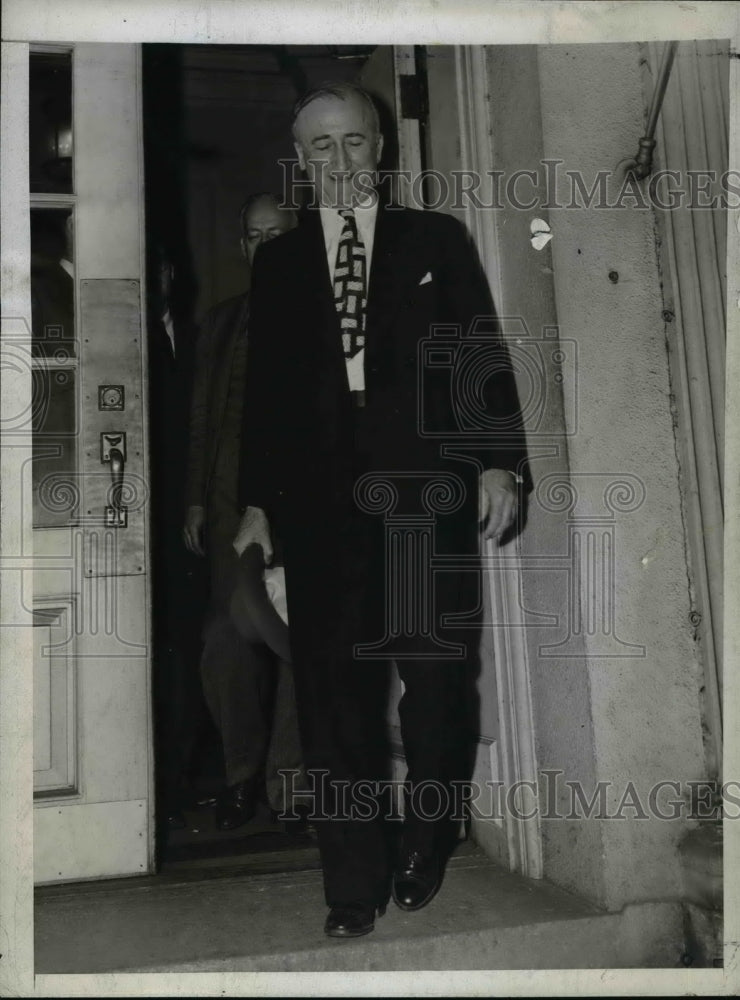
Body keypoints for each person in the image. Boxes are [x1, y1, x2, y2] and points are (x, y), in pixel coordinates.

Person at [236, 82, 531, 938]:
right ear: (301, 164)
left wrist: (498, 463)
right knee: (333, 698)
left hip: (423, 489)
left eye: (353, 143)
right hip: (319, 502)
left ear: (381, 149)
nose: (339, 162)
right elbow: (266, 400)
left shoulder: (433, 239)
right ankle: (351, 881)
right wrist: (256, 505)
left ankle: (426, 837)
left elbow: (479, 353)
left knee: (435, 681)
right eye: (319, 148)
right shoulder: (280, 263)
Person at [183, 193, 307, 831]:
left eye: (276, 235)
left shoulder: (324, 319)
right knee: (223, 640)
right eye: (254, 237)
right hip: (232, 511)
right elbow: (203, 416)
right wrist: (198, 499)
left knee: (296, 645)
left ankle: (290, 786)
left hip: (301, 511)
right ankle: (239, 777)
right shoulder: (222, 321)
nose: (264, 247)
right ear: (243, 247)